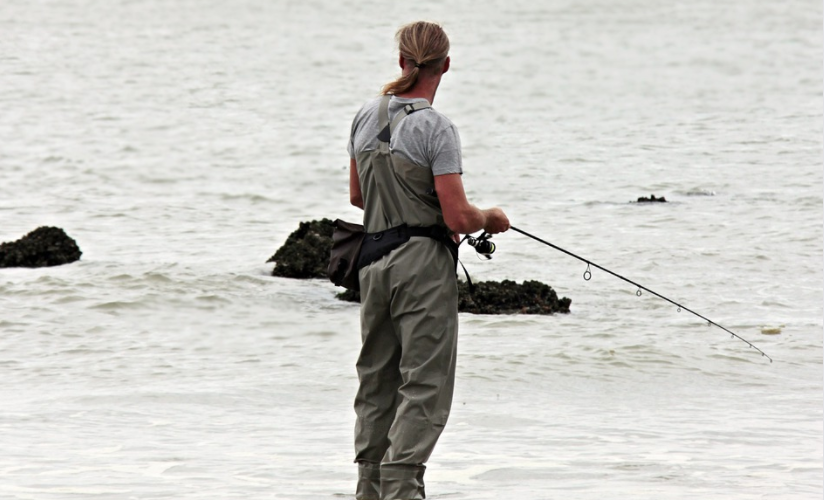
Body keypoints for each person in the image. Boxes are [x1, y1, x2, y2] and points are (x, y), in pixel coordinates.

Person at [347, 21, 510, 500]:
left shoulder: (363, 116)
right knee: (425, 385)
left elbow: (358, 197)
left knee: (376, 382)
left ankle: (369, 489)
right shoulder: (435, 127)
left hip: (372, 264)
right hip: (421, 266)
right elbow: (459, 215)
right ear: (446, 65)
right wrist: (492, 217)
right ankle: (401, 488)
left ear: (402, 61)